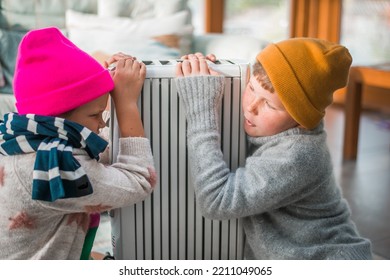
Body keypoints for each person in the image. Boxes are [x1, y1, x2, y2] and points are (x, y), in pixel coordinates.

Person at [174, 38, 373, 259]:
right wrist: (219, 74)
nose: (251, 107)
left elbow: (216, 202)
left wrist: (201, 107)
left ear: (300, 119)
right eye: (251, 88)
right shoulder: (273, 127)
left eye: (269, 104)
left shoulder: (297, 155)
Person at [0, 27, 156, 259]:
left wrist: (102, 84)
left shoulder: (26, 140)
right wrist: (127, 105)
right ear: (57, 116)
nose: (101, 125)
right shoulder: (54, 167)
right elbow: (140, 180)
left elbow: (97, 150)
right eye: (95, 115)